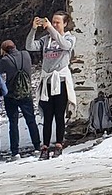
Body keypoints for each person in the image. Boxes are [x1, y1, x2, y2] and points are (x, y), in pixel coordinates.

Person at [29, 11, 77, 159]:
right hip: (47, 81)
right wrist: (33, 29)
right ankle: (45, 146)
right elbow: (30, 46)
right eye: (53, 22)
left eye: (57, 22)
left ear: (64, 23)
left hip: (60, 81)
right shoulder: (46, 40)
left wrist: (50, 28)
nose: (54, 24)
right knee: (47, 115)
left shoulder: (70, 38)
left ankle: (58, 144)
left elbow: (64, 45)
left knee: (59, 115)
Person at [0, 38, 39, 160]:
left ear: (4, 50)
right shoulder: (25, 54)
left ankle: (15, 152)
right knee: (31, 120)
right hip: (26, 93)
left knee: (13, 123)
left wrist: (2, 57)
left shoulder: (5, 60)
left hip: (11, 95)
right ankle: (37, 147)